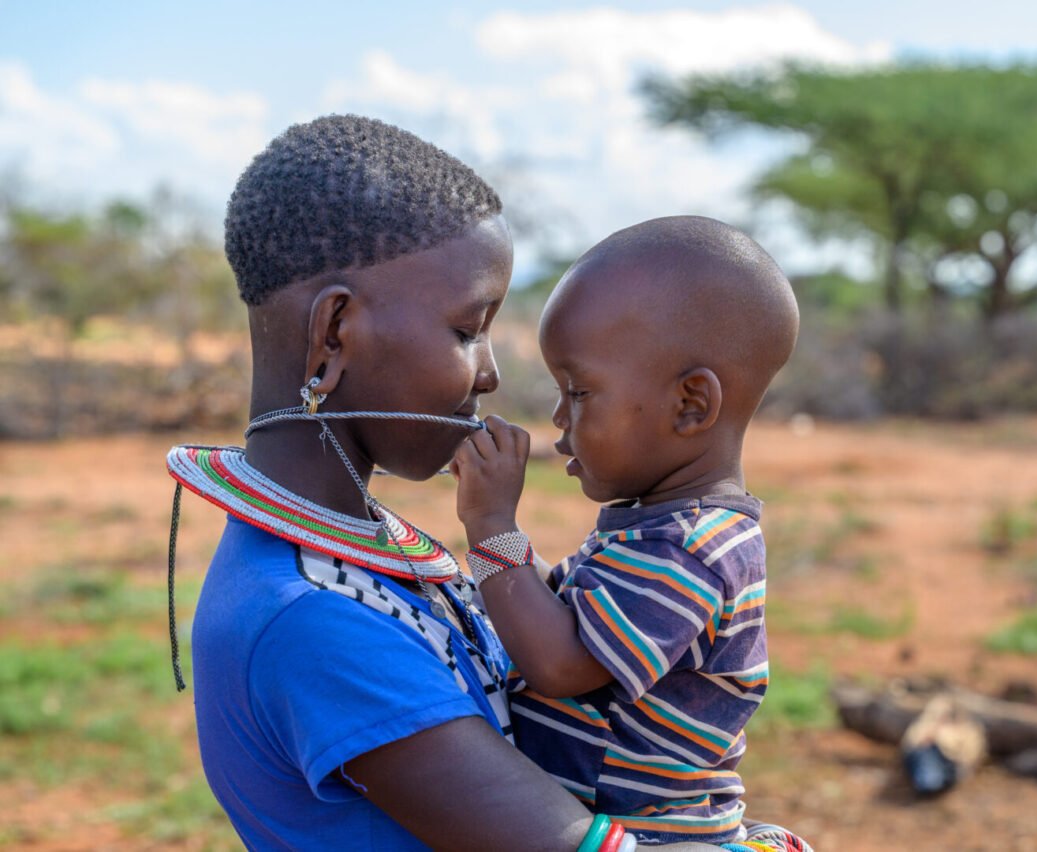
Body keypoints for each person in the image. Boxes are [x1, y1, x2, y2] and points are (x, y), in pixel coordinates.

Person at [166, 115, 716, 851]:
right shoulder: (310, 617)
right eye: (467, 331)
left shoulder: (362, 559)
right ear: (334, 335)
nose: (487, 372)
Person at [451, 216, 810, 850]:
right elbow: (565, 620)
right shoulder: (660, 526)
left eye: (581, 391)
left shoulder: (687, 547)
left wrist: (492, 527)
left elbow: (562, 664)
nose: (560, 418)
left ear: (691, 404)